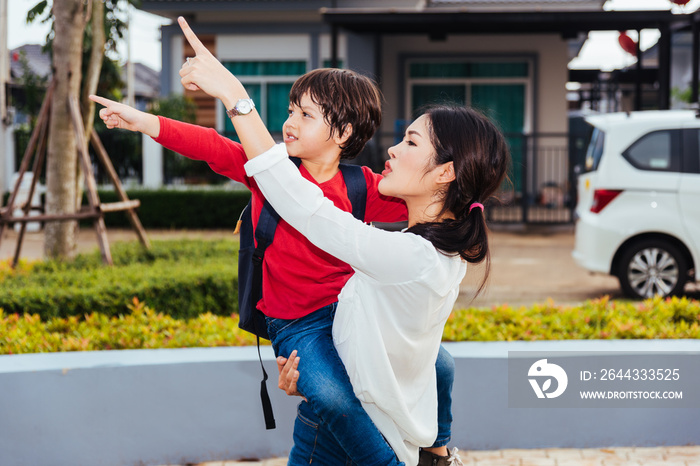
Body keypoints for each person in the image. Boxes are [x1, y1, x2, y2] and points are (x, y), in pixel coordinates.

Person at [90, 18, 459, 466]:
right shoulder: (268, 172)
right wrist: (143, 120)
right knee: (333, 398)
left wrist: (471, 206)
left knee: (440, 363)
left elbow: (433, 206)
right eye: (290, 110)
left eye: (305, 115)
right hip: (297, 323)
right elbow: (211, 144)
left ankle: (438, 451)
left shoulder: (364, 187)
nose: (288, 123)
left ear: (342, 134)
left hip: (351, 315)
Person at [166, 17, 508, 466]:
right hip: (326, 395)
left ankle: (436, 454)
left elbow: (307, 209)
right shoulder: (438, 245)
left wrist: (235, 96)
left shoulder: (406, 252)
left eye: (409, 141)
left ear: (445, 173)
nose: (392, 148)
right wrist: (306, 367)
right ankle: (441, 452)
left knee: (378, 385)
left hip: (363, 418)